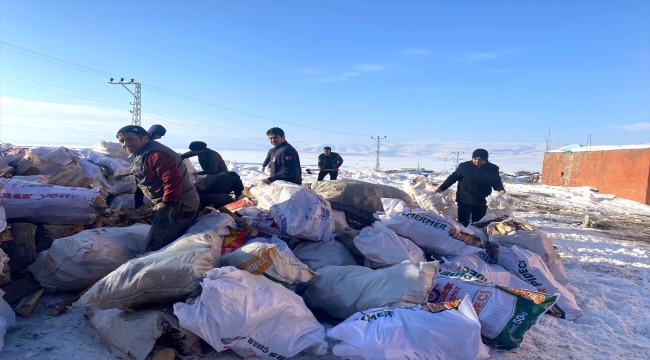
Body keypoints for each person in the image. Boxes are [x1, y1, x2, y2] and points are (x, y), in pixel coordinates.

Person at [116, 125, 200, 251]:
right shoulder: (140, 153)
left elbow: (173, 179)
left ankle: (158, 269)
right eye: (122, 141)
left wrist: (167, 205)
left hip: (178, 203)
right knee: (170, 243)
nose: (125, 143)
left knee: (156, 245)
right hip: (175, 201)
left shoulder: (155, 154)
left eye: (130, 139)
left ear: (144, 138)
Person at [435, 149, 505, 227]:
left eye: (480, 159)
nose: (477, 161)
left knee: (478, 222)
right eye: (475, 159)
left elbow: (496, 181)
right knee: (463, 221)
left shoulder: (492, 168)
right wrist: (441, 188)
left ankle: (475, 237)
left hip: (482, 199)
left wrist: (500, 189)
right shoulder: (464, 166)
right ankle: (461, 236)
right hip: (464, 198)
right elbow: (452, 178)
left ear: (486, 159)